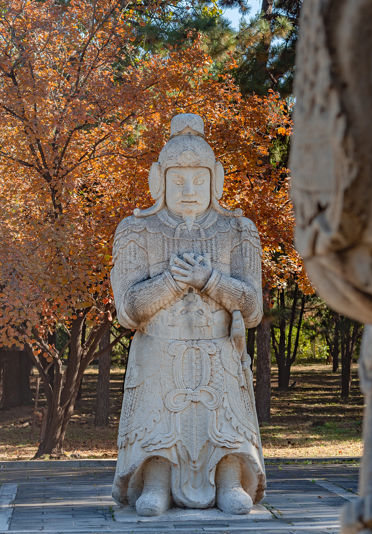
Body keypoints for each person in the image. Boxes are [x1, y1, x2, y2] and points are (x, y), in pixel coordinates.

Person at [110, 113, 265, 516]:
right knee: (161, 421)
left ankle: (230, 480)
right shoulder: (136, 230)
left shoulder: (238, 230)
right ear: (158, 179)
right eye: (178, 180)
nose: (190, 189)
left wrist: (211, 280)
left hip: (220, 350)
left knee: (224, 421)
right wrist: (171, 283)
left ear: (217, 177)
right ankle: (156, 482)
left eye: (199, 178)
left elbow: (252, 308)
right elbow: (127, 310)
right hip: (160, 350)